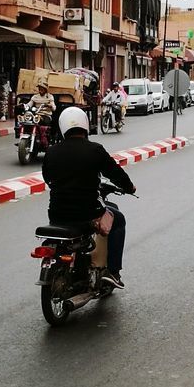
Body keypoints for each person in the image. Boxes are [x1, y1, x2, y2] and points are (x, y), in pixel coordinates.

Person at [42, 107, 136, 289]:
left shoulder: (51, 151)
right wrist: (129, 187)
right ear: (85, 125)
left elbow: (48, 179)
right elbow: (116, 173)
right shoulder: (95, 150)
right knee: (119, 219)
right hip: (87, 215)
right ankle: (113, 271)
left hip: (57, 215)